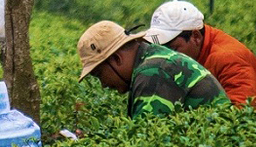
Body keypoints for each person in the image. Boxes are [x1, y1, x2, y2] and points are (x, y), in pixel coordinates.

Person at [146, 0, 256, 108]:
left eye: (174, 48)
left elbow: (242, 113)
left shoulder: (228, 58)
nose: (167, 56)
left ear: (196, 37)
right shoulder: (198, 48)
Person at [77, 19, 228, 119]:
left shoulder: (154, 72)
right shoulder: (154, 60)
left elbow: (144, 143)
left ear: (117, 59)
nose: (103, 84)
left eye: (99, 75)